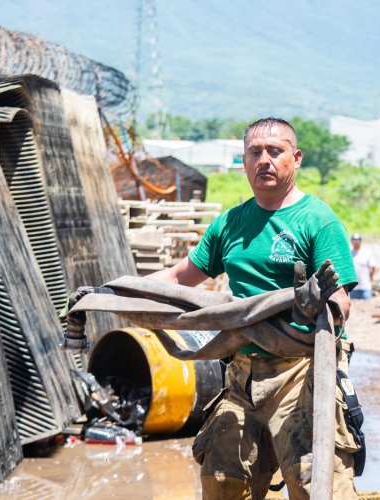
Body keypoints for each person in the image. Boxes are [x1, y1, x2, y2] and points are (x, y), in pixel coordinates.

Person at [147, 118, 360, 499]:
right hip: (242, 373)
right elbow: (180, 278)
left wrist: (315, 308)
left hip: (301, 371)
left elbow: (341, 299)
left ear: (295, 159)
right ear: (243, 162)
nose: (264, 160)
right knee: (222, 482)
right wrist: (116, 292)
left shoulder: (318, 221)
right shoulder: (230, 224)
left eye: (275, 151)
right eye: (255, 152)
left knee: (316, 482)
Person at [349, 233, 376, 300]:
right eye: (354, 240)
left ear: (360, 241)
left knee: (368, 307)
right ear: (351, 242)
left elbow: (373, 267)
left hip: (365, 287)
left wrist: (370, 278)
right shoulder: (349, 254)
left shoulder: (366, 253)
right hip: (353, 288)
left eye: (358, 240)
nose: (356, 242)